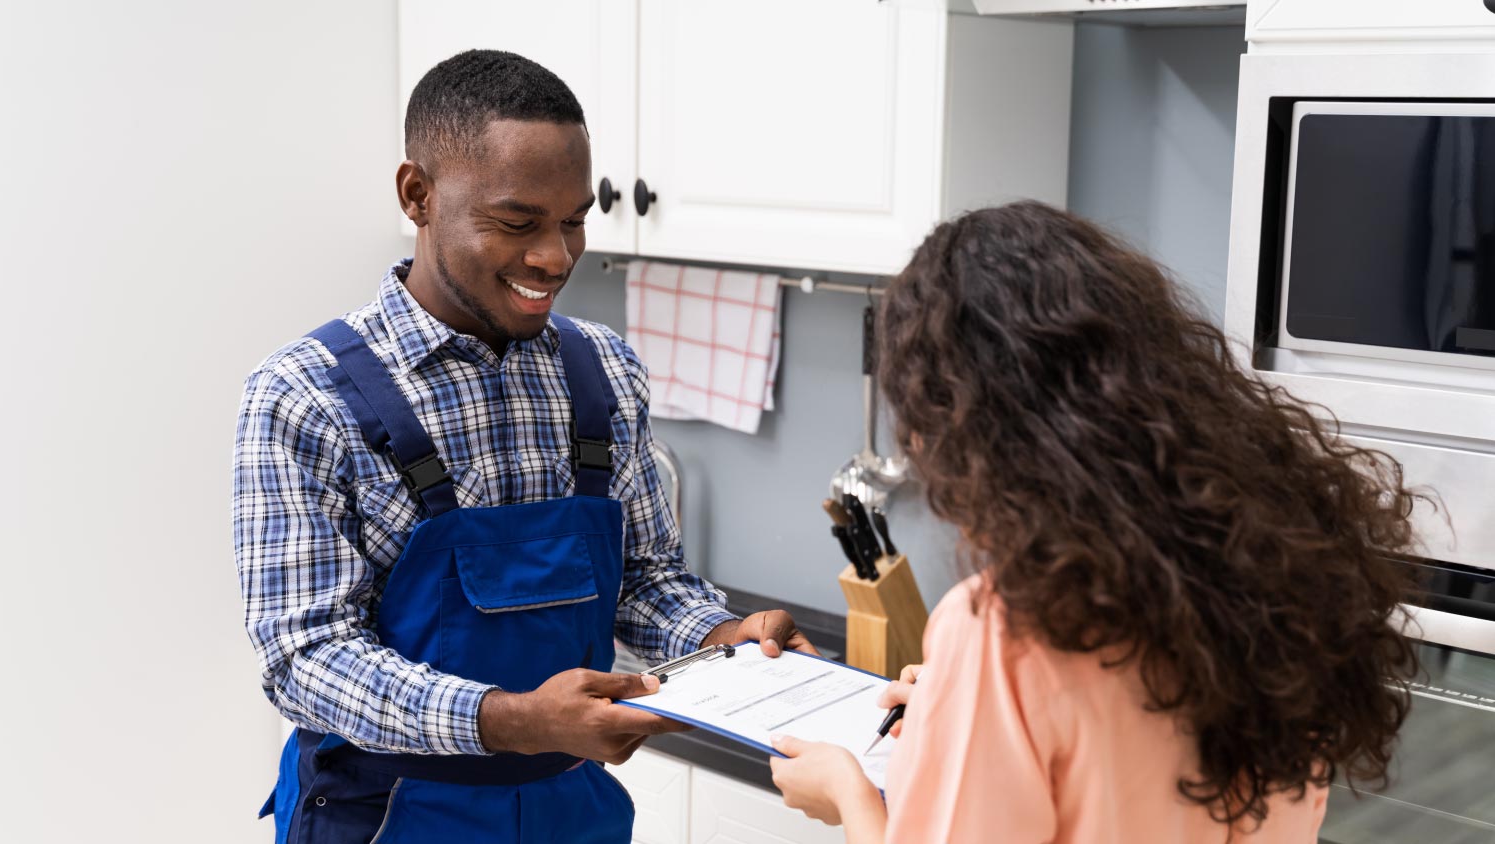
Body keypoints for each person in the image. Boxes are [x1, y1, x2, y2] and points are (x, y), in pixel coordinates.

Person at [232, 50, 816, 844]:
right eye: (518, 223)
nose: (556, 257)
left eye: (574, 220)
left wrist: (721, 640)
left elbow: (644, 582)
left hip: (572, 813)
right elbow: (304, 659)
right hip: (389, 818)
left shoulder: (604, 369)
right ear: (419, 196)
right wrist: (513, 721)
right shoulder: (304, 397)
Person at [768, 201, 1422, 843]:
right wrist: (963, 712)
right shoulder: (1274, 573)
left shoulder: (1004, 630)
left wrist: (848, 794)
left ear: (962, 425)